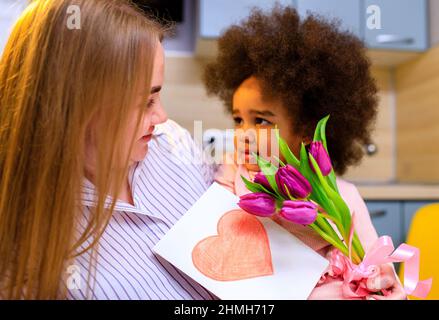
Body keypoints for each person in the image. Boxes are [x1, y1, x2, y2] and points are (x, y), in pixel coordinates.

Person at [0, 0, 215, 299]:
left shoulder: (171, 139)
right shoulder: (24, 258)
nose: (163, 117)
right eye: (145, 102)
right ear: (74, 109)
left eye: (158, 95)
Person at [203, 6, 406, 300]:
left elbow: (378, 268)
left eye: (261, 121)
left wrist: (383, 284)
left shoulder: (343, 197)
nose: (242, 134)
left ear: (306, 131)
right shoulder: (229, 181)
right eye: (238, 120)